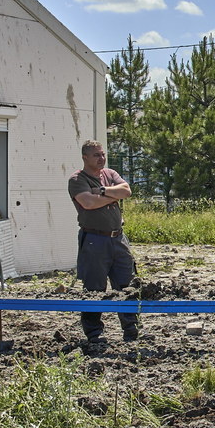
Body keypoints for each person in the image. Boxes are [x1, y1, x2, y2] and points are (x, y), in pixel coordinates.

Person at [68, 140, 139, 342]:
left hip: (118, 238)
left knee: (127, 284)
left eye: (102, 154)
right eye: (96, 155)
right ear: (85, 157)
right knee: (94, 288)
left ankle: (131, 328)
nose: (101, 158)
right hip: (94, 240)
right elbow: (88, 203)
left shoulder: (110, 174)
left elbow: (126, 191)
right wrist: (112, 195)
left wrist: (102, 192)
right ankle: (94, 333)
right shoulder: (77, 179)